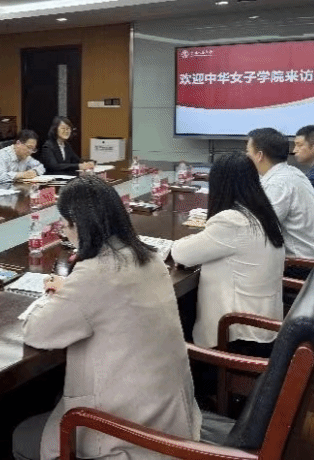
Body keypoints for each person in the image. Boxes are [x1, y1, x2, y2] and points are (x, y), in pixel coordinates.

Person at [13, 177, 201, 460]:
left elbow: (36, 332)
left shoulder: (95, 274)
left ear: (79, 224)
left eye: (64, 223)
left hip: (127, 433)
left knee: (21, 434)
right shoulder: (149, 258)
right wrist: (72, 292)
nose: (63, 230)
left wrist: (57, 296)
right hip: (171, 418)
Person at [172, 152, 285, 353]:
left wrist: (185, 242)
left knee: (178, 317)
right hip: (264, 326)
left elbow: (181, 254)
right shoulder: (262, 213)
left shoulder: (232, 221)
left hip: (237, 334)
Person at [247, 127, 314, 260]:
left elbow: (260, 229)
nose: (246, 156)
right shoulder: (291, 172)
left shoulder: (278, 183)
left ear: (259, 156)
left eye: (248, 152)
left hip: (303, 263)